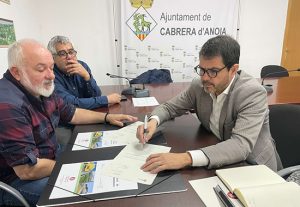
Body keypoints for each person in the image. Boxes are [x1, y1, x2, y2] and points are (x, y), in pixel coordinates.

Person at [0, 39, 137, 206]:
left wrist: (107, 117)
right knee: (94, 191)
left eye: (51, 68)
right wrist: (73, 165)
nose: (51, 76)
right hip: (19, 181)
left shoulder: (37, 86)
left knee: (105, 155)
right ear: (17, 72)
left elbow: (71, 113)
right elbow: (27, 170)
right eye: (41, 69)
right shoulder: (8, 105)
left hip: (50, 157)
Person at [136, 35, 282, 174]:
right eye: (202, 69)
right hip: (220, 161)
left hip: (254, 167)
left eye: (213, 71)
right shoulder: (199, 86)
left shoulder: (252, 93)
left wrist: (185, 158)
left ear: (233, 70)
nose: (205, 77)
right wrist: (153, 121)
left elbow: (240, 146)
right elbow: (169, 108)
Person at [47, 35, 121, 109]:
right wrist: (106, 99)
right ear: (52, 58)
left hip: (89, 114)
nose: (69, 57)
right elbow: (71, 104)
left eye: (71, 52)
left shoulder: (82, 66)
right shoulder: (50, 75)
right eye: (62, 54)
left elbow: (96, 95)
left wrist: (87, 77)